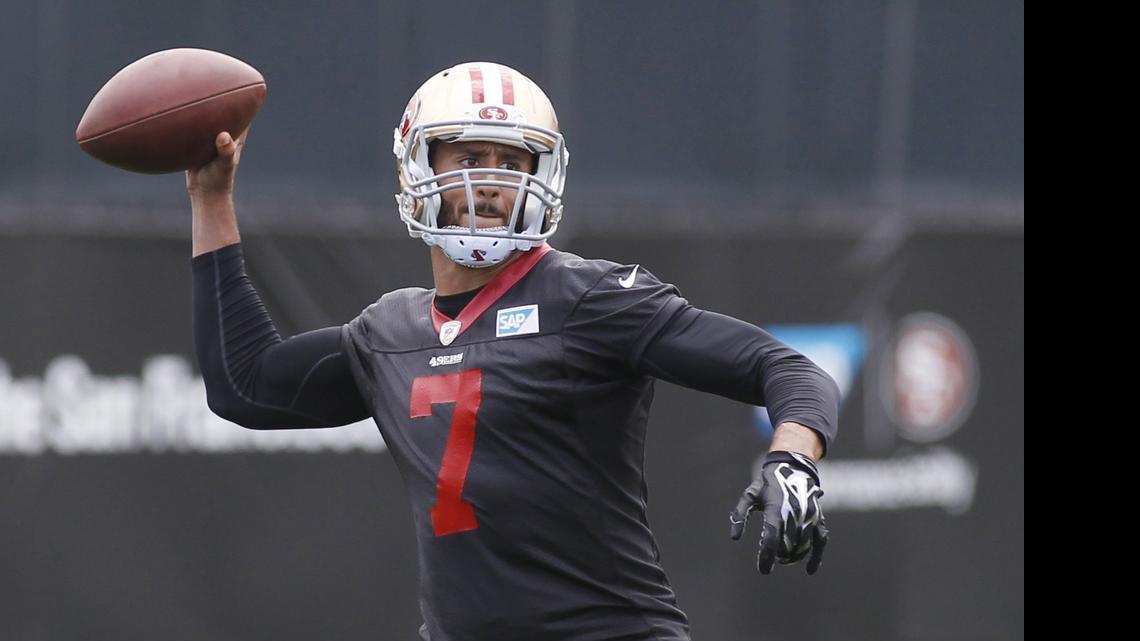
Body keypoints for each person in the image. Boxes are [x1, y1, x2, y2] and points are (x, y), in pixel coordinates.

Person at [188, 61, 839, 641]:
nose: (491, 182)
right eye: (467, 156)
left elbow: (786, 367)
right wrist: (211, 197)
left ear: (542, 172)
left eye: (512, 159)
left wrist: (793, 459)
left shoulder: (588, 298)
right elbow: (244, 385)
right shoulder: (389, 332)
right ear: (418, 168)